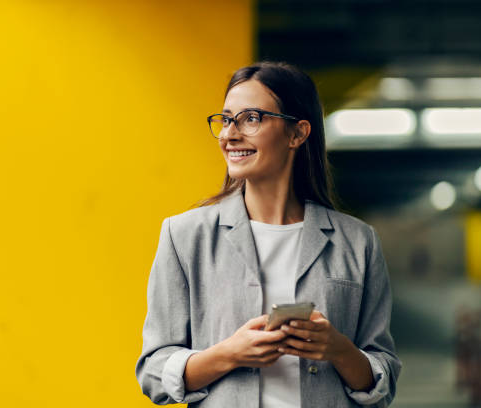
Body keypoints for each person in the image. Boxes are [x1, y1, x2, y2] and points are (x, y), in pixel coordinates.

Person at [136, 61, 401, 407]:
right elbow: (153, 372)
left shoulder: (358, 242)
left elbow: (384, 376)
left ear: (297, 133)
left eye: (251, 118)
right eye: (226, 119)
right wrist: (229, 354)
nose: (230, 134)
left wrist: (338, 349)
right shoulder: (184, 236)